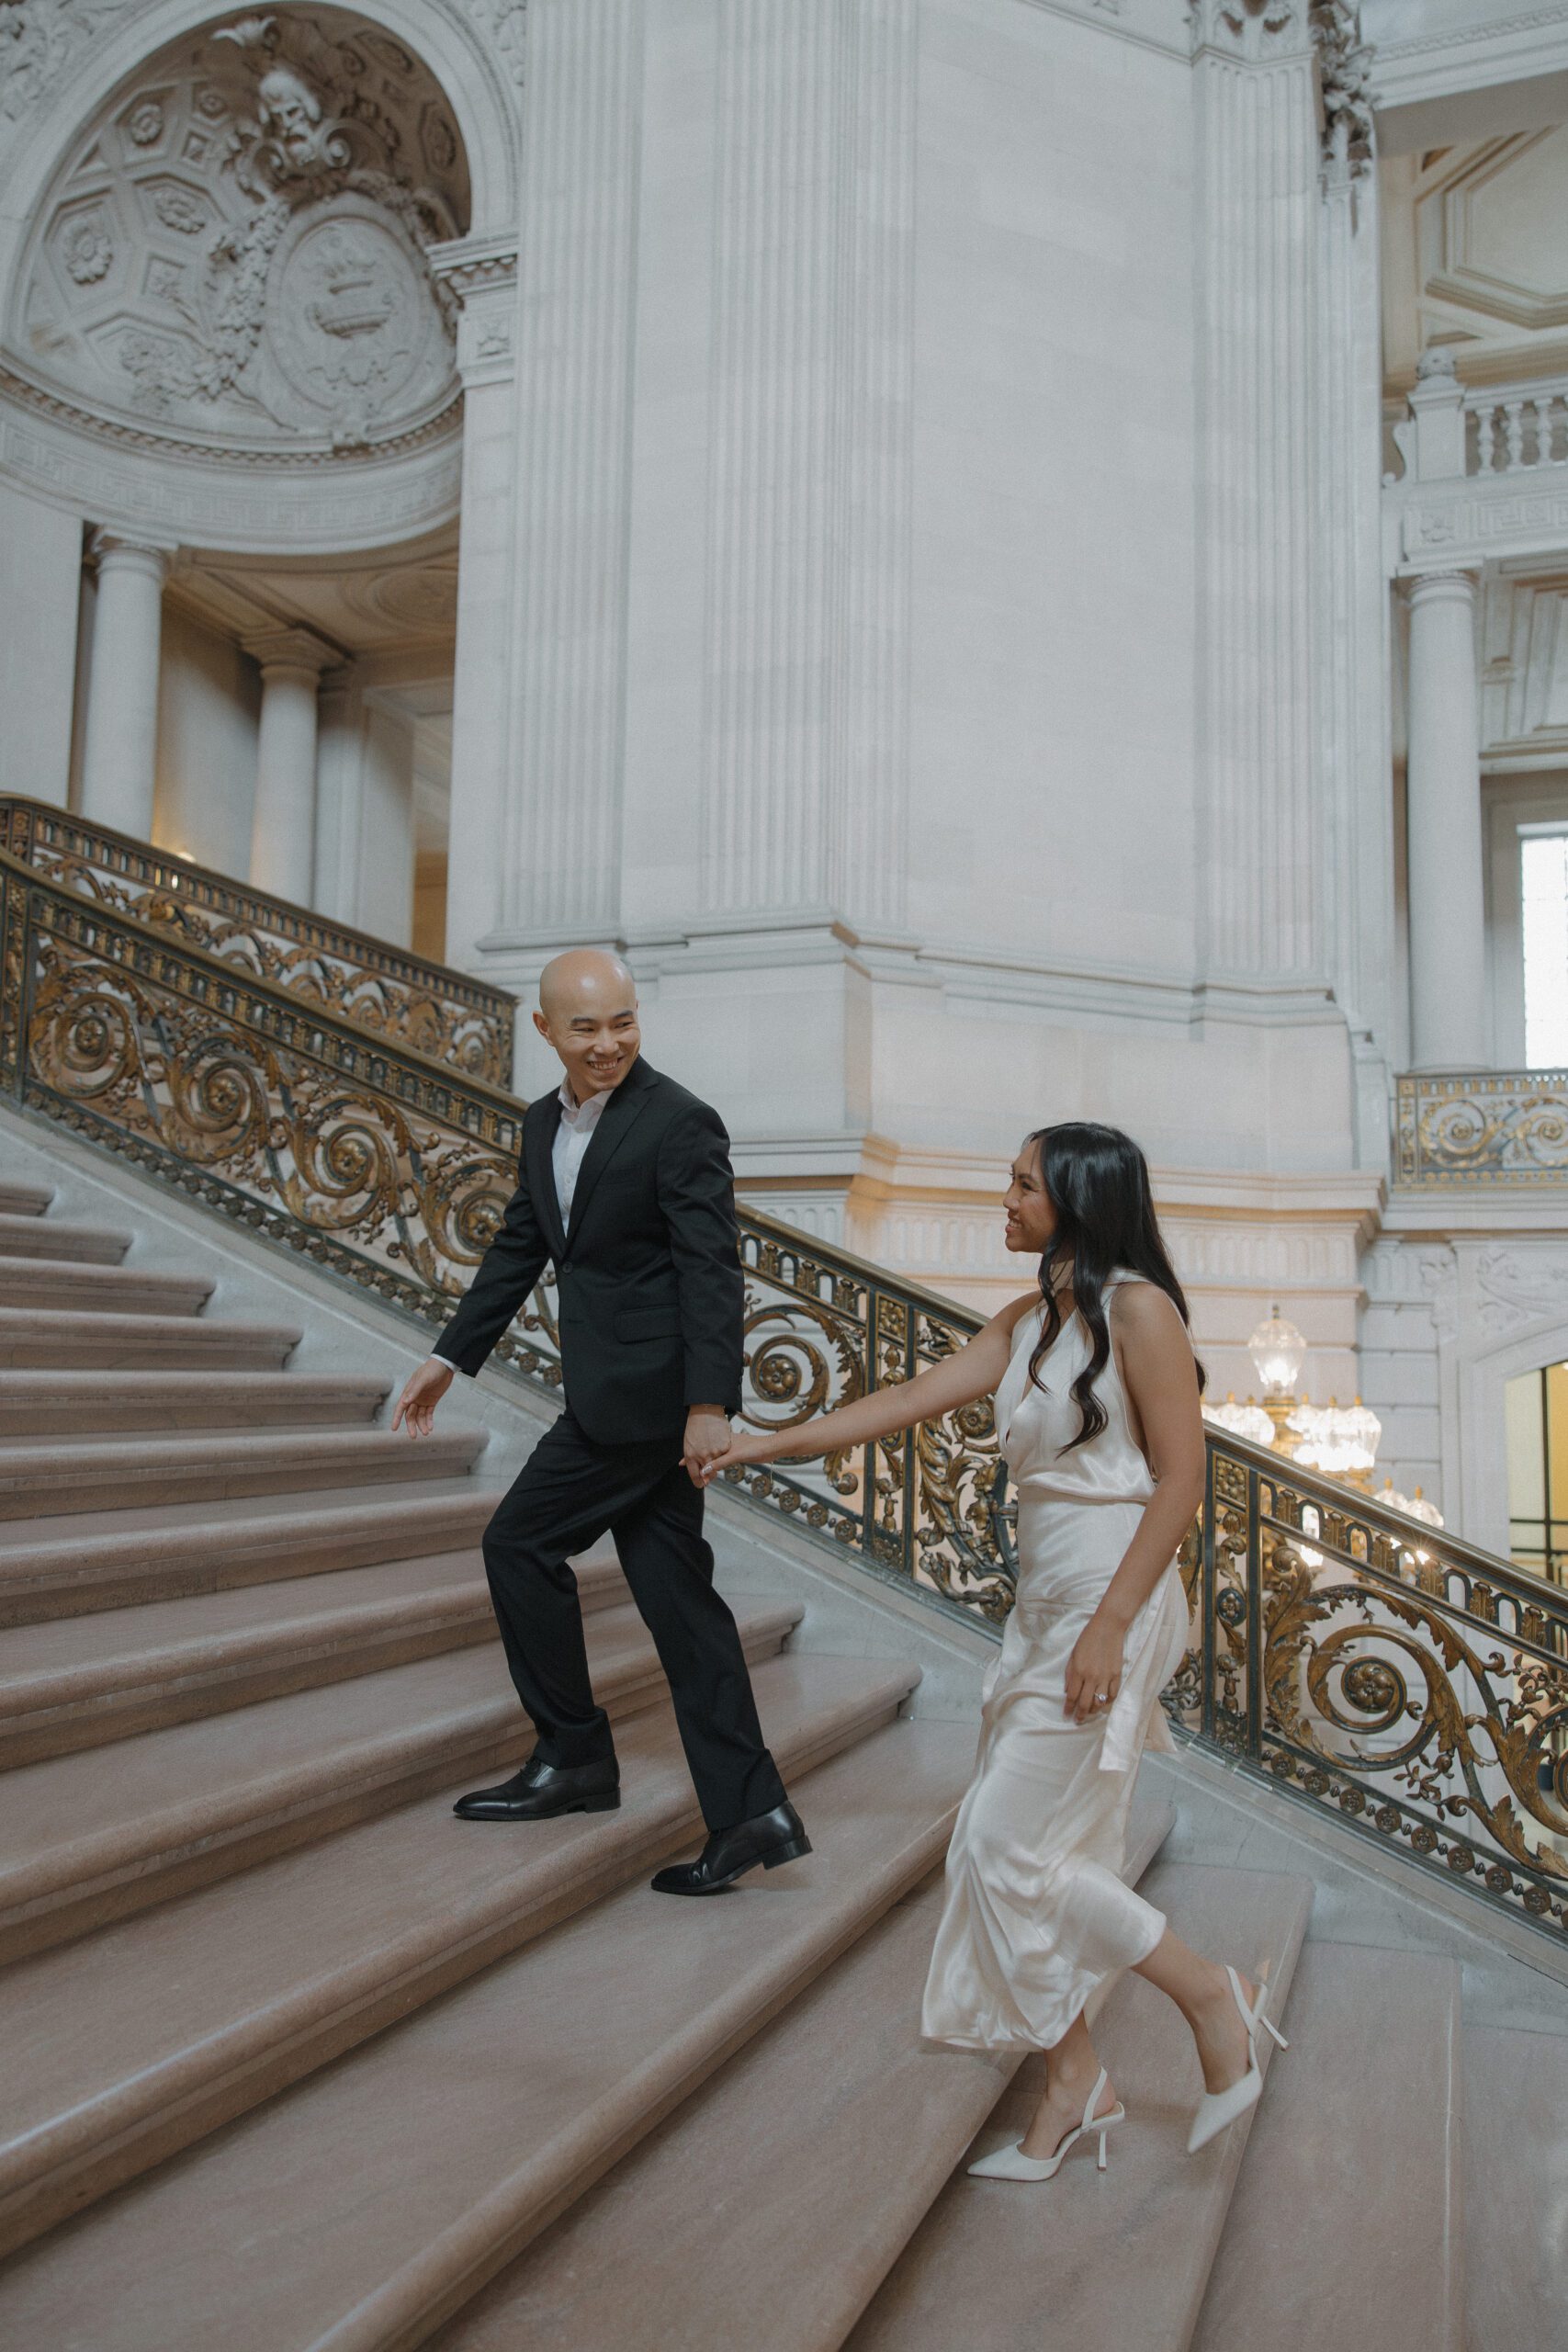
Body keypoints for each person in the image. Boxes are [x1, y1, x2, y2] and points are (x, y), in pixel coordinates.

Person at [712, 1121, 1285, 2170]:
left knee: (996, 1843)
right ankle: (1076, 2075)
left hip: (1116, 1593)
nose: (1005, 1198)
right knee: (1017, 1847)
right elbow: (905, 1399)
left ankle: (1214, 1997)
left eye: (1023, 1184)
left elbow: (1183, 1483)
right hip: (1044, 1599)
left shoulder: (1141, 1311)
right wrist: (769, 1442)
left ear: (1076, 1197)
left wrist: (1111, 1623)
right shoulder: (1029, 1320)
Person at [392, 948, 807, 1895]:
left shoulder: (680, 1120)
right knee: (680, 1606)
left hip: (646, 1405)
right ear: (545, 1030)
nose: (610, 1042)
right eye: (586, 1026)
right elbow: (520, 1246)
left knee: (517, 1543)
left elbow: (712, 1268)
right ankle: (751, 1813)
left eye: (623, 1021)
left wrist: (710, 1404)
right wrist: (448, 1357)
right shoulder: (542, 1122)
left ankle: (576, 1754)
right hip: (615, 1394)